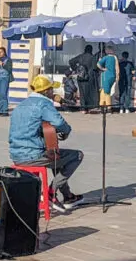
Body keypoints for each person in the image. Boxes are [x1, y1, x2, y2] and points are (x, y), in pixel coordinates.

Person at [9, 75, 84, 213]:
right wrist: (66, 131)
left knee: (56, 156)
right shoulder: (43, 104)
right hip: (33, 155)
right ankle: (50, 193)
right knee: (77, 156)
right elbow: (60, 123)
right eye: (51, 89)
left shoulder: (21, 105)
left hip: (16, 154)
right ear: (46, 91)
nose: (53, 92)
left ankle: (67, 196)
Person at [69, 47, 98, 114]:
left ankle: (83, 109)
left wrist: (76, 69)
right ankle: (89, 107)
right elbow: (95, 67)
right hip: (90, 78)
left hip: (81, 77)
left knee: (82, 93)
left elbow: (71, 61)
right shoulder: (92, 57)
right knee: (89, 93)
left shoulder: (80, 56)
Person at [0, 47, 13, 117]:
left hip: (4, 78)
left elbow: (9, 69)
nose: (0, 53)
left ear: (4, 52)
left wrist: (2, 64)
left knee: (3, 94)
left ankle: (5, 111)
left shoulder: (8, 60)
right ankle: (0, 110)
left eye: (1, 52)